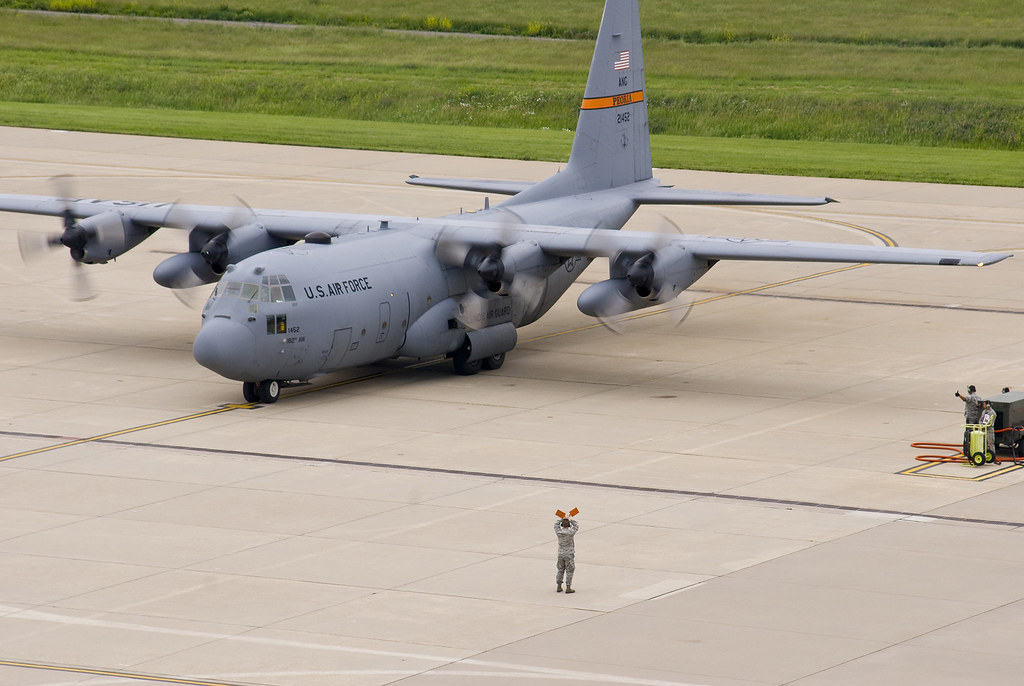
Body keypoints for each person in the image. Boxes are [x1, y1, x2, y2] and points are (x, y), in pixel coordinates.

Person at [554, 517, 579, 593]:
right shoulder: (570, 532)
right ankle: (568, 587)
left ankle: (559, 586)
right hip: (569, 554)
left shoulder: (559, 532)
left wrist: (562, 518)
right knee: (569, 570)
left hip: (560, 553)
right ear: (569, 525)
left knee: (560, 570)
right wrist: (570, 519)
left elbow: (556, 525)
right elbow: (576, 526)